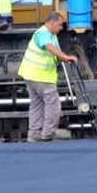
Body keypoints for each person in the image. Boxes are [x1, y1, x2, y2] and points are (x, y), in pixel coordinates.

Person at [17, 12, 78, 142]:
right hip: (41, 76)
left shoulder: (51, 35)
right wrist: (66, 57)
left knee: (36, 105)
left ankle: (34, 134)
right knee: (53, 105)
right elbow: (50, 47)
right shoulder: (43, 33)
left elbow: (55, 54)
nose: (61, 28)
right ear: (53, 22)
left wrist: (64, 59)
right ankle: (48, 133)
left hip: (30, 75)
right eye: (60, 25)